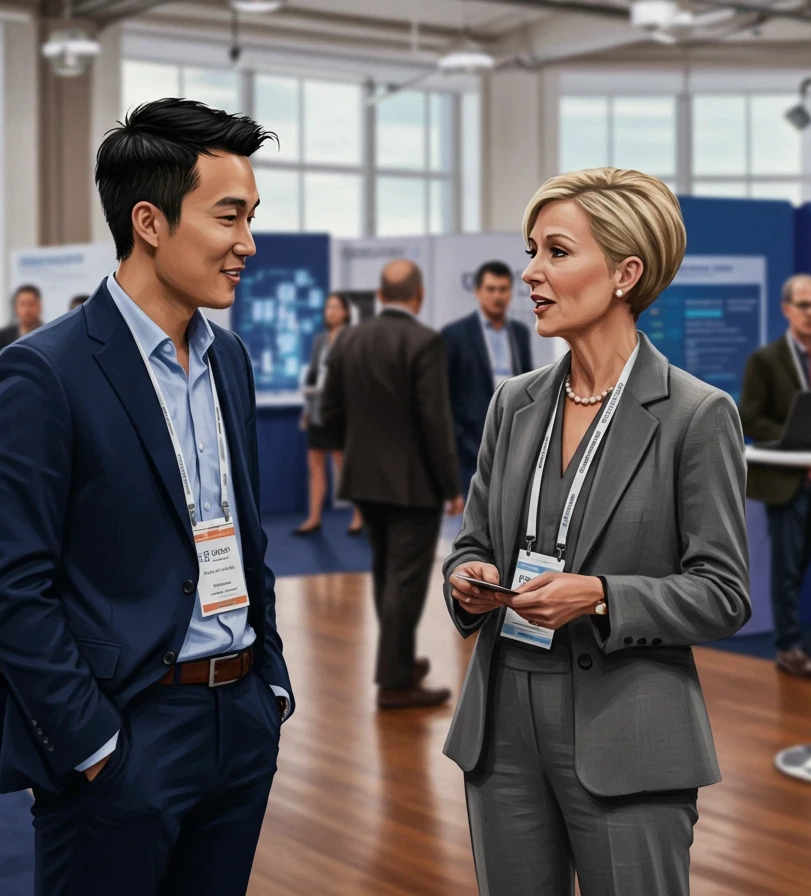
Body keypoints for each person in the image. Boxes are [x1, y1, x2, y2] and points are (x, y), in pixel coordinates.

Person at [0, 98, 293, 895]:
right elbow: (9, 588)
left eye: (251, 218)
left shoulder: (231, 359)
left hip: (240, 721)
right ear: (149, 221)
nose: (247, 244)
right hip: (125, 737)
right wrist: (96, 744)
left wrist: (269, 685)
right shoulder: (43, 374)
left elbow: (243, 538)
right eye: (229, 217)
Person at [443, 168, 750, 896]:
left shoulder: (696, 416)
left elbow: (724, 593)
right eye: (531, 251)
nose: (530, 274)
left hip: (630, 731)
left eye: (555, 252)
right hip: (502, 727)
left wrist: (602, 595)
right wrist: (470, 575)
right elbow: (474, 539)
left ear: (624, 272)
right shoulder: (512, 402)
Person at [321, 259, 462, 710]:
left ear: (380, 296)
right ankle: (396, 681)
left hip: (363, 480)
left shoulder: (349, 339)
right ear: (418, 297)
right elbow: (434, 421)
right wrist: (451, 484)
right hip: (413, 485)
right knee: (405, 580)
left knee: (386, 574)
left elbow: (328, 411)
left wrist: (357, 449)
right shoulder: (425, 341)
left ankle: (398, 660)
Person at [738, 273, 811, 678]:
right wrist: (794, 439)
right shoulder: (765, 360)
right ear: (786, 309)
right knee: (786, 569)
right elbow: (749, 415)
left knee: (802, 564)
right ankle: (789, 646)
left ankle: (792, 636)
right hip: (785, 480)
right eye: (804, 305)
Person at [442, 260, 534, 497]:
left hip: (514, 442)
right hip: (470, 445)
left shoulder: (520, 334)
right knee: (473, 523)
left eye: (503, 289)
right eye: (491, 289)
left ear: (511, 294)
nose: (497, 296)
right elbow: (444, 396)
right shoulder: (455, 335)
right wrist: (460, 439)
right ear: (477, 292)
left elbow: (528, 383)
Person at [294, 293, 362, 536]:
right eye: (327, 308)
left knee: (344, 468)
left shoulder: (353, 338)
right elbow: (313, 375)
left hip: (341, 413)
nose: (330, 312)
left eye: (335, 307)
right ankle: (313, 518)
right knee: (315, 466)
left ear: (345, 312)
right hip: (317, 411)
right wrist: (307, 410)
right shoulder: (320, 340)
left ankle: (358, 516)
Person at [0, 283, 43, 373]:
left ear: (40, 307)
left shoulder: (49, 334)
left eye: (31, 304)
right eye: (22, 304)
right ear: (15, 308)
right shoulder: (3, 336)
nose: (27, 309)